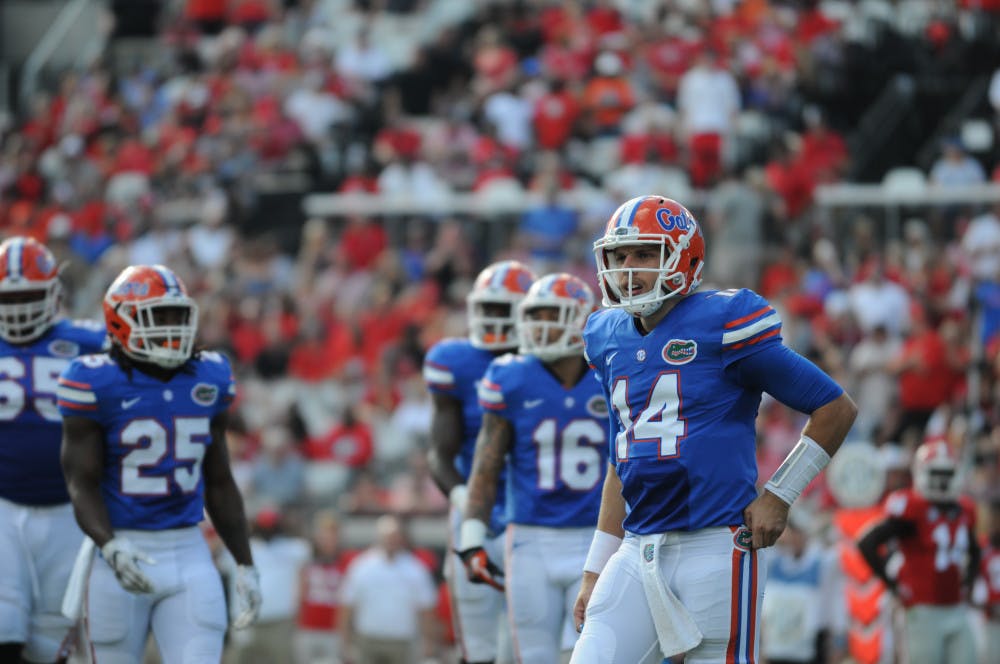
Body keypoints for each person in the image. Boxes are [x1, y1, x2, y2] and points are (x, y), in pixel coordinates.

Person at [570, 195, 857, 664]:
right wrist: (594, 568)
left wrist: (780, 494)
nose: (628, 268)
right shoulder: (606, 335)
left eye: (644, 254)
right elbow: (619, 464)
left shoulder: (723, 320)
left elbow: (834, 407)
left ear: (683, 258)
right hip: (638, 547)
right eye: (620, 256)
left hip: (716, 544)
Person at [58, 264, 261, 663]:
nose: (170, 328)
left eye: (176, 316)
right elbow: (81, 482)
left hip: (188, 550)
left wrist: (245, 563)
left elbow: (219, 481)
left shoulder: (210, 376)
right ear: (121, 320)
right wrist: (110, 546)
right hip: (118, 553)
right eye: (157, 317)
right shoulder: (93, 381)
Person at [459, 273, 608, 663]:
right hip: (527, 538)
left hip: (593, 537)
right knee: (534, 657)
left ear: (581, 320)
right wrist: (472, 534)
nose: (539, 326)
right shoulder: (511, 377)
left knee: (582, 654)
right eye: (534, 315)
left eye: (551, 314)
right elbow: (487, 464)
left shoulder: (609, 373)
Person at [0, 236, 107, 663]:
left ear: (55, 293)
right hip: (3, 507)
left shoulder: (90, 342)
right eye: (11, 297)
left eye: (29, 295)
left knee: (54, 640)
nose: (21, 307)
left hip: (70, 510)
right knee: (3, 627)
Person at [423, 259, 535, 664]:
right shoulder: (453, 360)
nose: (489, 317)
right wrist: (465, 504)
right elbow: (439, 453)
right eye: (485, 306)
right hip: (476, 512)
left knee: (530, 647)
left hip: (534, 514)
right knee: (479, 647)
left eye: (500, 307)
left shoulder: (548, 364)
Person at [857, 440, 979, 664]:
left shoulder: (965, 509)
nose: (942, 481)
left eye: (947, 473)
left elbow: (975, 550)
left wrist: (968, 582)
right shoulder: (913, 508)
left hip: (955, 607)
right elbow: (867, 542)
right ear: (921, 473)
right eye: (936, 473)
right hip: (921, 610)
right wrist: (892, 584)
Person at [338, 514, 440, 664]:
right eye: (388, 536)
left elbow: (426, 609)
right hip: (368, 639)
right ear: (379, 536)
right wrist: (345, 642)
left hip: (402, 641)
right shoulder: (362, 566)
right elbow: (347, 605)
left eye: (395, 536)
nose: (391, 540)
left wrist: (429, 642)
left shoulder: (415, 568)